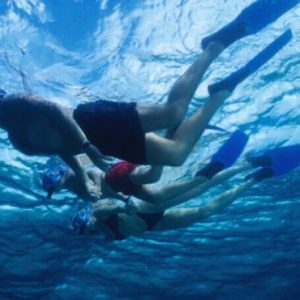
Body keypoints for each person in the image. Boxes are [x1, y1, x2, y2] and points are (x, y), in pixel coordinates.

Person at [0, 0, 295, 201]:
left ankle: (213, 47)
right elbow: (64, 149)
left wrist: (86, 146)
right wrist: (87, 177)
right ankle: (218, 93)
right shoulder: (19, 141)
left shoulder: (11, 104)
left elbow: (52, 110)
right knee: (175, 155)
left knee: (172, 113)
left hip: (91, 120)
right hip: (99, 143)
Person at [69, 144, 300, 240]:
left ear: (84, 215)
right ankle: (252, 178)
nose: (85, 227)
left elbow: (107, 205)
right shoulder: (105, 237)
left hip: (144, 210)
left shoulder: (97, 212)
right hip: (155, 224)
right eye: (82, 229)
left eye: (81, 221)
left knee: (198, 189)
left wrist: (121, 205)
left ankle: (246, 165)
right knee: (205, 210)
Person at [42, 129, 249, 204]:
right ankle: (203, 176)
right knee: (157, 199)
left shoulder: (72, 174)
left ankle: (165, 142)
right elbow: (107, 195)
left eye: (53, 186)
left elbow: (95, 173)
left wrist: (92, 185)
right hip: (120, 188)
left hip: (114, 176)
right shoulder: (75, 191)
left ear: (57, 178)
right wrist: (125, 200)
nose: (56, 190)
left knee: (152, 177)